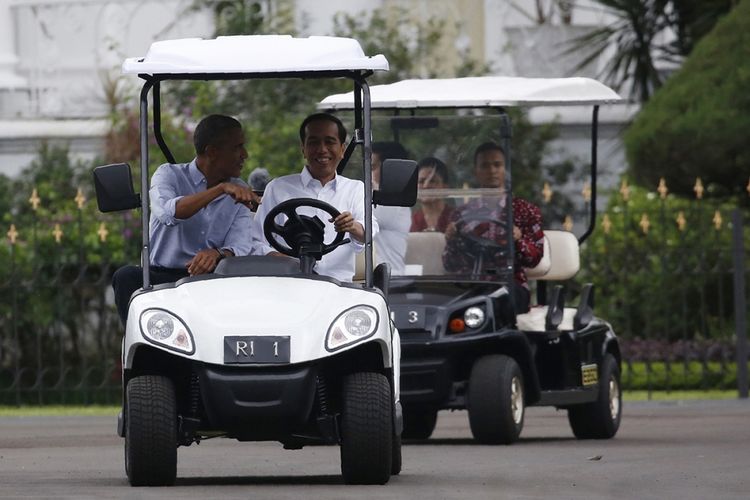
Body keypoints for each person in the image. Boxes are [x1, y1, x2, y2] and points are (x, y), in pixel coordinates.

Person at [112, 114, 259, 326]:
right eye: (237, 147)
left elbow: (242, 244)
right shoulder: (168, 175)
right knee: (125, 276)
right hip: (163, 280)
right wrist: (220, 189)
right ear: (212, 152)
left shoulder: (240, 188)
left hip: (211, 280)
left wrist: (218, 254)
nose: (244, 155)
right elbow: (169, 213)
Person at [251, 113, 377, 282]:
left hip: (338, 288)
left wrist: (351, 226)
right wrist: (288, 261)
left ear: (342, 150)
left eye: (329, 142)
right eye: (314, 142)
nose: (322, 149)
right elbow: (256, 241)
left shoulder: (355, 188)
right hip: (285, 284)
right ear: (303, 148)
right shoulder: (278, 188)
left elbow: (369, 232)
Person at [443, 142, 544, 313]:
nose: (492, 171)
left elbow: (534, 258)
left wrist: (519, 241)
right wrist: (451, 241)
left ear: (505, 169)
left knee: (500, 301)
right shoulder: (461, 214)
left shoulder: (525, 211)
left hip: (510, 284)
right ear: (476, 172)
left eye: (497, 165)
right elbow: (450, 264)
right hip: (472, 284)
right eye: (485, 165)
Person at [371, 141, 411, 275]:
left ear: (390, 169)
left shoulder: (394, 201)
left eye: (373, 167)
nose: (369, 174)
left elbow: (363, 218)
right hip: (373, 280)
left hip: (391, 281)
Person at [410, 156, 455, 233]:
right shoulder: (410, 222)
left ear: (445, 187)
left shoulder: (456, 219)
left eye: (432, 181)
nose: (426, 186)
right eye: (421, 181)